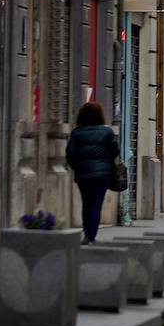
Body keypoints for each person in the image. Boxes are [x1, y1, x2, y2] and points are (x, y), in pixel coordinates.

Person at [66, 101, 119, 244]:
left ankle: (87, 235)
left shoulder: (76, 133)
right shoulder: (107, 132)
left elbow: (70, 154)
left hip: (83, 174)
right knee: (96, 204)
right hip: (102, 174)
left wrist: (77, 167)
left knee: (86, 204)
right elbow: (115, 151)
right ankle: (92, 237)